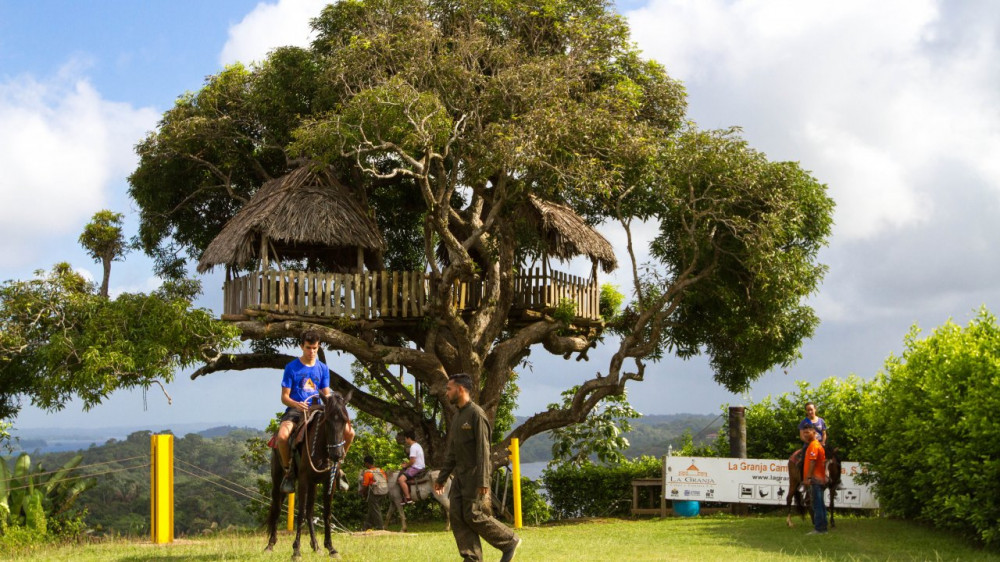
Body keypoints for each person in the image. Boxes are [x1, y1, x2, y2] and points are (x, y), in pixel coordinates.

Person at [434, 373, 521, 562]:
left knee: (473, 514)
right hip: (460, 476)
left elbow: (484, 450)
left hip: (475, 475)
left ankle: (508, 541)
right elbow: (452, 453)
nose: (446, 392)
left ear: (461, 389)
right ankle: (471, 558)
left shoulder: (476, 414)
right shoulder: (457, 416)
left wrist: (483, 479)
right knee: (457, 515)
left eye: (449, 389)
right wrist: (441, 478)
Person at [275, 330, 355, 494]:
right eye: (308, 348)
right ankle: (288, 471)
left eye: (315, 348)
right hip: (296, 410)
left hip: (318, 409)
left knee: (350, 433)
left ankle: (338, 466)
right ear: (301, 346)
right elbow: (284, 397)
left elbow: (326, 392)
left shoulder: (323, 368)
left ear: (319, 347)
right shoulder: (291, 367)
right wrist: (296, 404)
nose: (312, 352)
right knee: (282, 437)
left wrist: (333, 405)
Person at [802, 422, 828, 535]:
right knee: (821, 504)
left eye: (808, 432)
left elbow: (812, 462)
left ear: (814, 432)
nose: (806, 435)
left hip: (816, 479)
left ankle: (818, 529)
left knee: (817, 504)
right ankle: (823, 527)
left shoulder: (813, 445)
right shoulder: (817, 445)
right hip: (820, 479)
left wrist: (808, 477)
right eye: (804, 433)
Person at [359, 455, 389, 531]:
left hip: (375, 492)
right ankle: (366, 526)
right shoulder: (380, 470)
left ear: (367, 463)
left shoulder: (367, 473)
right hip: (384, 491)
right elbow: (386, 480)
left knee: (375, 510)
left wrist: (361, 491)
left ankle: (380, 527)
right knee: (372, 508)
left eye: (365, 463)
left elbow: (365, 485)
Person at [398, 429, 426, 504]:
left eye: (405, 438)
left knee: (401, 479)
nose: (405, 440)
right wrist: (407, 464)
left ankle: (408, 497)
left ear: (409, 438)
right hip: (420, 466)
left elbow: (412, 461)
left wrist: (406, 465)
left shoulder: (413, 447)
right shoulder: (418, 445)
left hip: (416, 468)